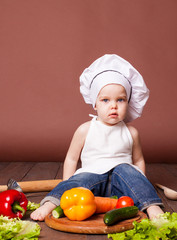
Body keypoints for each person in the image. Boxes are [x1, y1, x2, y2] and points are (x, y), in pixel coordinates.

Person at [30, 54, 164, 221]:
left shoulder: (132, 132)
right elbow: (72, 159)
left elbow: (138, 161)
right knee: (81, 178)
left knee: (128, 171)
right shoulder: (85, 129)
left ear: (128, 103)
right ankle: (52, 203)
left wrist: (139, 182)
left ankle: (151, 205)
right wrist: (67, 186)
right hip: (92, 180)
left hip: (121, 185)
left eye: (120, 100)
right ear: (95, 103)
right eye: (105, 100)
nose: (113, 105)